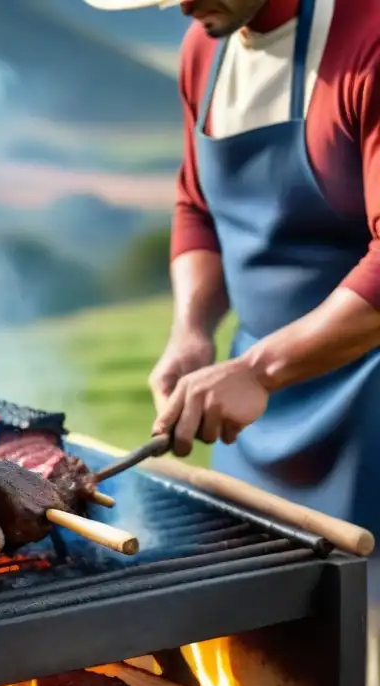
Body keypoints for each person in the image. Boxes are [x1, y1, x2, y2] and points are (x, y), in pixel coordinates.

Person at [82, 0, 380, 529]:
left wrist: (258, 372)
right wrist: (192, 331)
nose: (181, 6)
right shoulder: (205, 46)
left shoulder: (368, 42)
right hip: (252, 422)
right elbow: (198, 206)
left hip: (368, 408)